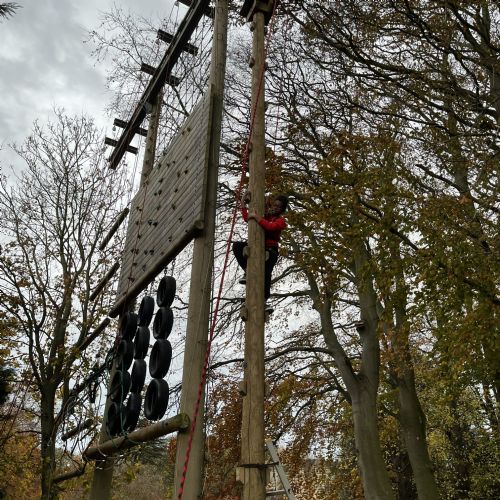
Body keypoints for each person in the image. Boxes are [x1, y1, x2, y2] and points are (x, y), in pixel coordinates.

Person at [233, 193, 289, 312]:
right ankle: (247, 270)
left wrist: (257, 217)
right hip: (257, 246)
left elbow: (271, 227)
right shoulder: (266, 216)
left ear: (282, 210)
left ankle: (263, 300)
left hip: (271, 249)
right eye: (275, 205)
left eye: (279, 207)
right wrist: (243, 205)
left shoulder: (281, 221)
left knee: (266, 273)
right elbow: (248, 218)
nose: (275, 208)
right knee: (237, 246)